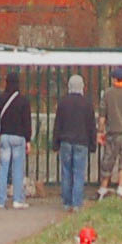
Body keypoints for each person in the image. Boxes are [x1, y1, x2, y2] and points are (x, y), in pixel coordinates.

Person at [52, 74, 96, 211]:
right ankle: (77, 203)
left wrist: (55, 143)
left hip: (65, 141)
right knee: (78, 172)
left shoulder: (63, 102)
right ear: (82, 86)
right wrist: (93, 144)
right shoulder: (87, 104)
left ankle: (66, 202)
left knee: (66, 172)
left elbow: (57, 124)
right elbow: (91, 126)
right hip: (81, 142)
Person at [0, 71, 32, 209]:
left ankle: (1, 200)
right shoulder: (23, 101)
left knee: (3, 168)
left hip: (4, 136)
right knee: (17, 169)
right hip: (19, 137)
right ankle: (17, 199)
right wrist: (28, 139)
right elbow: (27, 122)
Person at [97, 66, 122, 199]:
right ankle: (121, 188)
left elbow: (102, 117)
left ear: (115, 79)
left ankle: (103, 188)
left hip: (112, 134)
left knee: (108, 161)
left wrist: (100, 131)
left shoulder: (108, 94)